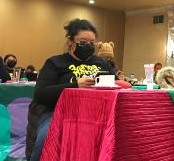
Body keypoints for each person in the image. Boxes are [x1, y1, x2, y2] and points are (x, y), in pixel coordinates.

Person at [27, 19, 116, 161]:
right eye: (82, 42)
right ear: (70, 41)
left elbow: (116, 84)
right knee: (45, 138)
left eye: (92, 43)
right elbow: (40, 93)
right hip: (58, 113)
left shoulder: (102, 63)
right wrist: (75, 86)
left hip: (96, 114)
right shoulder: (55, 62)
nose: (88, 46)